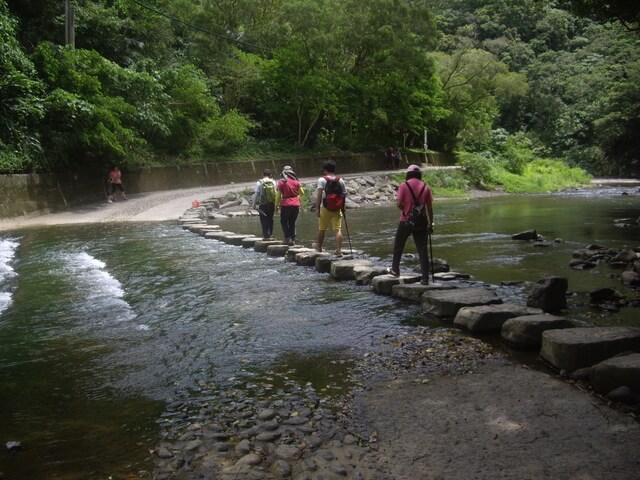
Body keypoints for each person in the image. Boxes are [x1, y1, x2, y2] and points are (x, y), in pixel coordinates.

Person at [388, 164, 434, 284]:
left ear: (408, 174)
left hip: (406, 221)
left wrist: (406, 210)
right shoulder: (425, 187)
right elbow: (429, 207)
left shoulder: (404, 185)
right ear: (419, 174)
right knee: (422, 250)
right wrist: (431, 223)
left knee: (399, 245)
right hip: (422, 222)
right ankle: (425, 278)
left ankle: (395, 270)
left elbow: (398, 204)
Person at [315, 159, 347, 256]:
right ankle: (339, 251)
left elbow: (319, 195)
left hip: (325, 208)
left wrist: (317, 208)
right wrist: (343, 207)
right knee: (338, 230)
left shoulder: (322, 180)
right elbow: (344, 195)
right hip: (337, 208)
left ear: (325, 170)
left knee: (322, 229)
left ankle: (319, 247)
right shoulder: (340, 180)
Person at [276, 166, 304, 246]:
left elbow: (278, 196)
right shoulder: (296, 181)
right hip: (295, 204)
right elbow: (302, 192)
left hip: (286, 204)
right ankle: (293, 239)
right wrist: (297, 198)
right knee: (292, 222)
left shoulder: (281, 182)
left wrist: (276, 205)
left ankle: (287, 238)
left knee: (283, 221)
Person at [252, 169, 277, 240]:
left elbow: (256, 194)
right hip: (271, 203)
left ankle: (266, 236)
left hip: (263, 204)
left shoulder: (259, 182)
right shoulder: (273, 182)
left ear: (262, 174)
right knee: (270, 219)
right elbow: (276, 193)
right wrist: (276, 204)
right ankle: (270, 234)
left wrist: (254, 204)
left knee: (264, 220)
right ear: (270, 175)